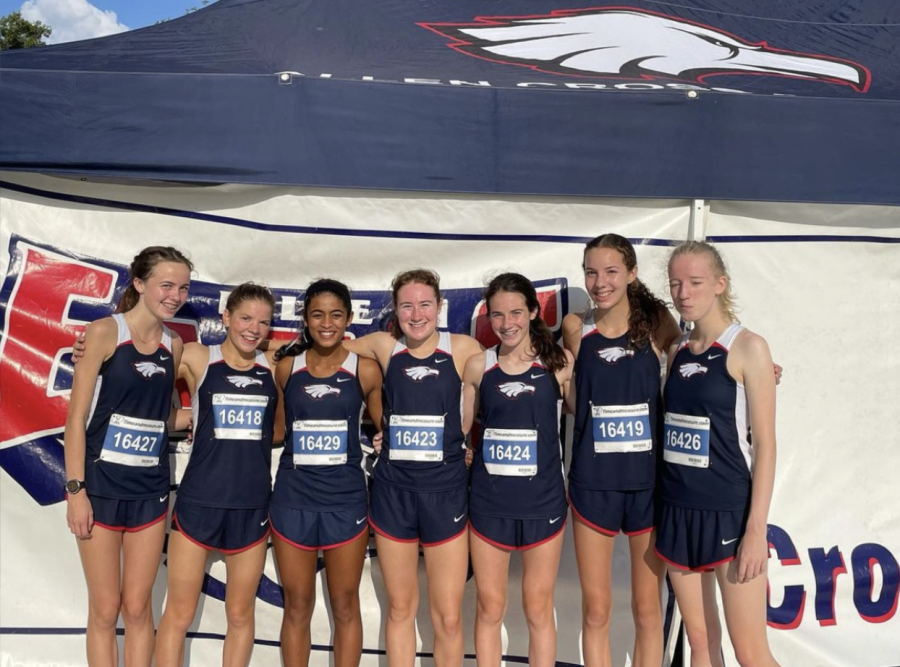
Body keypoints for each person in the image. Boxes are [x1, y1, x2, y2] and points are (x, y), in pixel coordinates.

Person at [345, 269, 482, 667]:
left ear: (440, 307)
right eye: (407, 305)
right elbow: (328, 346)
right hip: (394, 494)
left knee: (448, 616)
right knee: (400, 610)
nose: (416, 314)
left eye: (425, 304)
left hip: (446, 494)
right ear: (396, 309)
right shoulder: (385, 346)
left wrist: (466, 443)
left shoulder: (463, 348)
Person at [64, 246, 192, 667]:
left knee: (138, 609)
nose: (175, 295)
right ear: (139, 284)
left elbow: (164, 416)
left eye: (183, 287)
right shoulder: (104, 333)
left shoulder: (174, 344)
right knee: (105, 609)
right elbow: (77, 418)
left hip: (149, 492)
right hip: (99, 490)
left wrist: (211, 418)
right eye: (166, 285)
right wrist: (76, 491)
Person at [658, 241, 781, 667]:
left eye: (695, 282)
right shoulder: (675, 351)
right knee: (700, 643)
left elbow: (765, 446)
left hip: (729, 512)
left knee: (749, 652)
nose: (683, 293)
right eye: (675, 284)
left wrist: (756, 530)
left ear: (720, 284)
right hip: (678, 509)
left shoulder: (749, 347)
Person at [561, 233, 681, 667]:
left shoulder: (657, 323)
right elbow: (574, 398)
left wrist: (752, 369)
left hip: (647, 484)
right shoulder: (576, 327)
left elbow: (696, 363)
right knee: (596, 609)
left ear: (631, 273)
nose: (600, 281)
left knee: (648, 610)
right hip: (593, 483)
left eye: (611, 271)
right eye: (591, 272)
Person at [155, 283, 279, 667]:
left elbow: (280, 430)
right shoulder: (197, 356)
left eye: (263, 322)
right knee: (178, 613)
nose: (253, 329)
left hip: (251, 507)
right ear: (225, 317)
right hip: (198, 503)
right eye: (245, 318)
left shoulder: (274, 366)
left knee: (241, 616)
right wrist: (184, 417)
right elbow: (137, 377)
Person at [462, 272, 574, 667]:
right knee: (490, 607)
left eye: (515, 312)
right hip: (490, 505)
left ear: (531, 312)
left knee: (538, 608)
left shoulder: (558, 364)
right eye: (497, 315)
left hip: (543, 503)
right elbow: (455, 433)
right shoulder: (479, 366)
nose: (506, 323)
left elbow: (606, 396)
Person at [269, 279, 383, 667]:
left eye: (336, 314)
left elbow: (387, 428)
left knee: (345, 604)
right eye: (317, 314)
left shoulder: (365, 370)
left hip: (345, 500)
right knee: (297, 604)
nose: (327, 323)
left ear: (349, 318)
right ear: (305, 318)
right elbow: (279, 432)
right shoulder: (286, 367)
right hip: (293, 499)